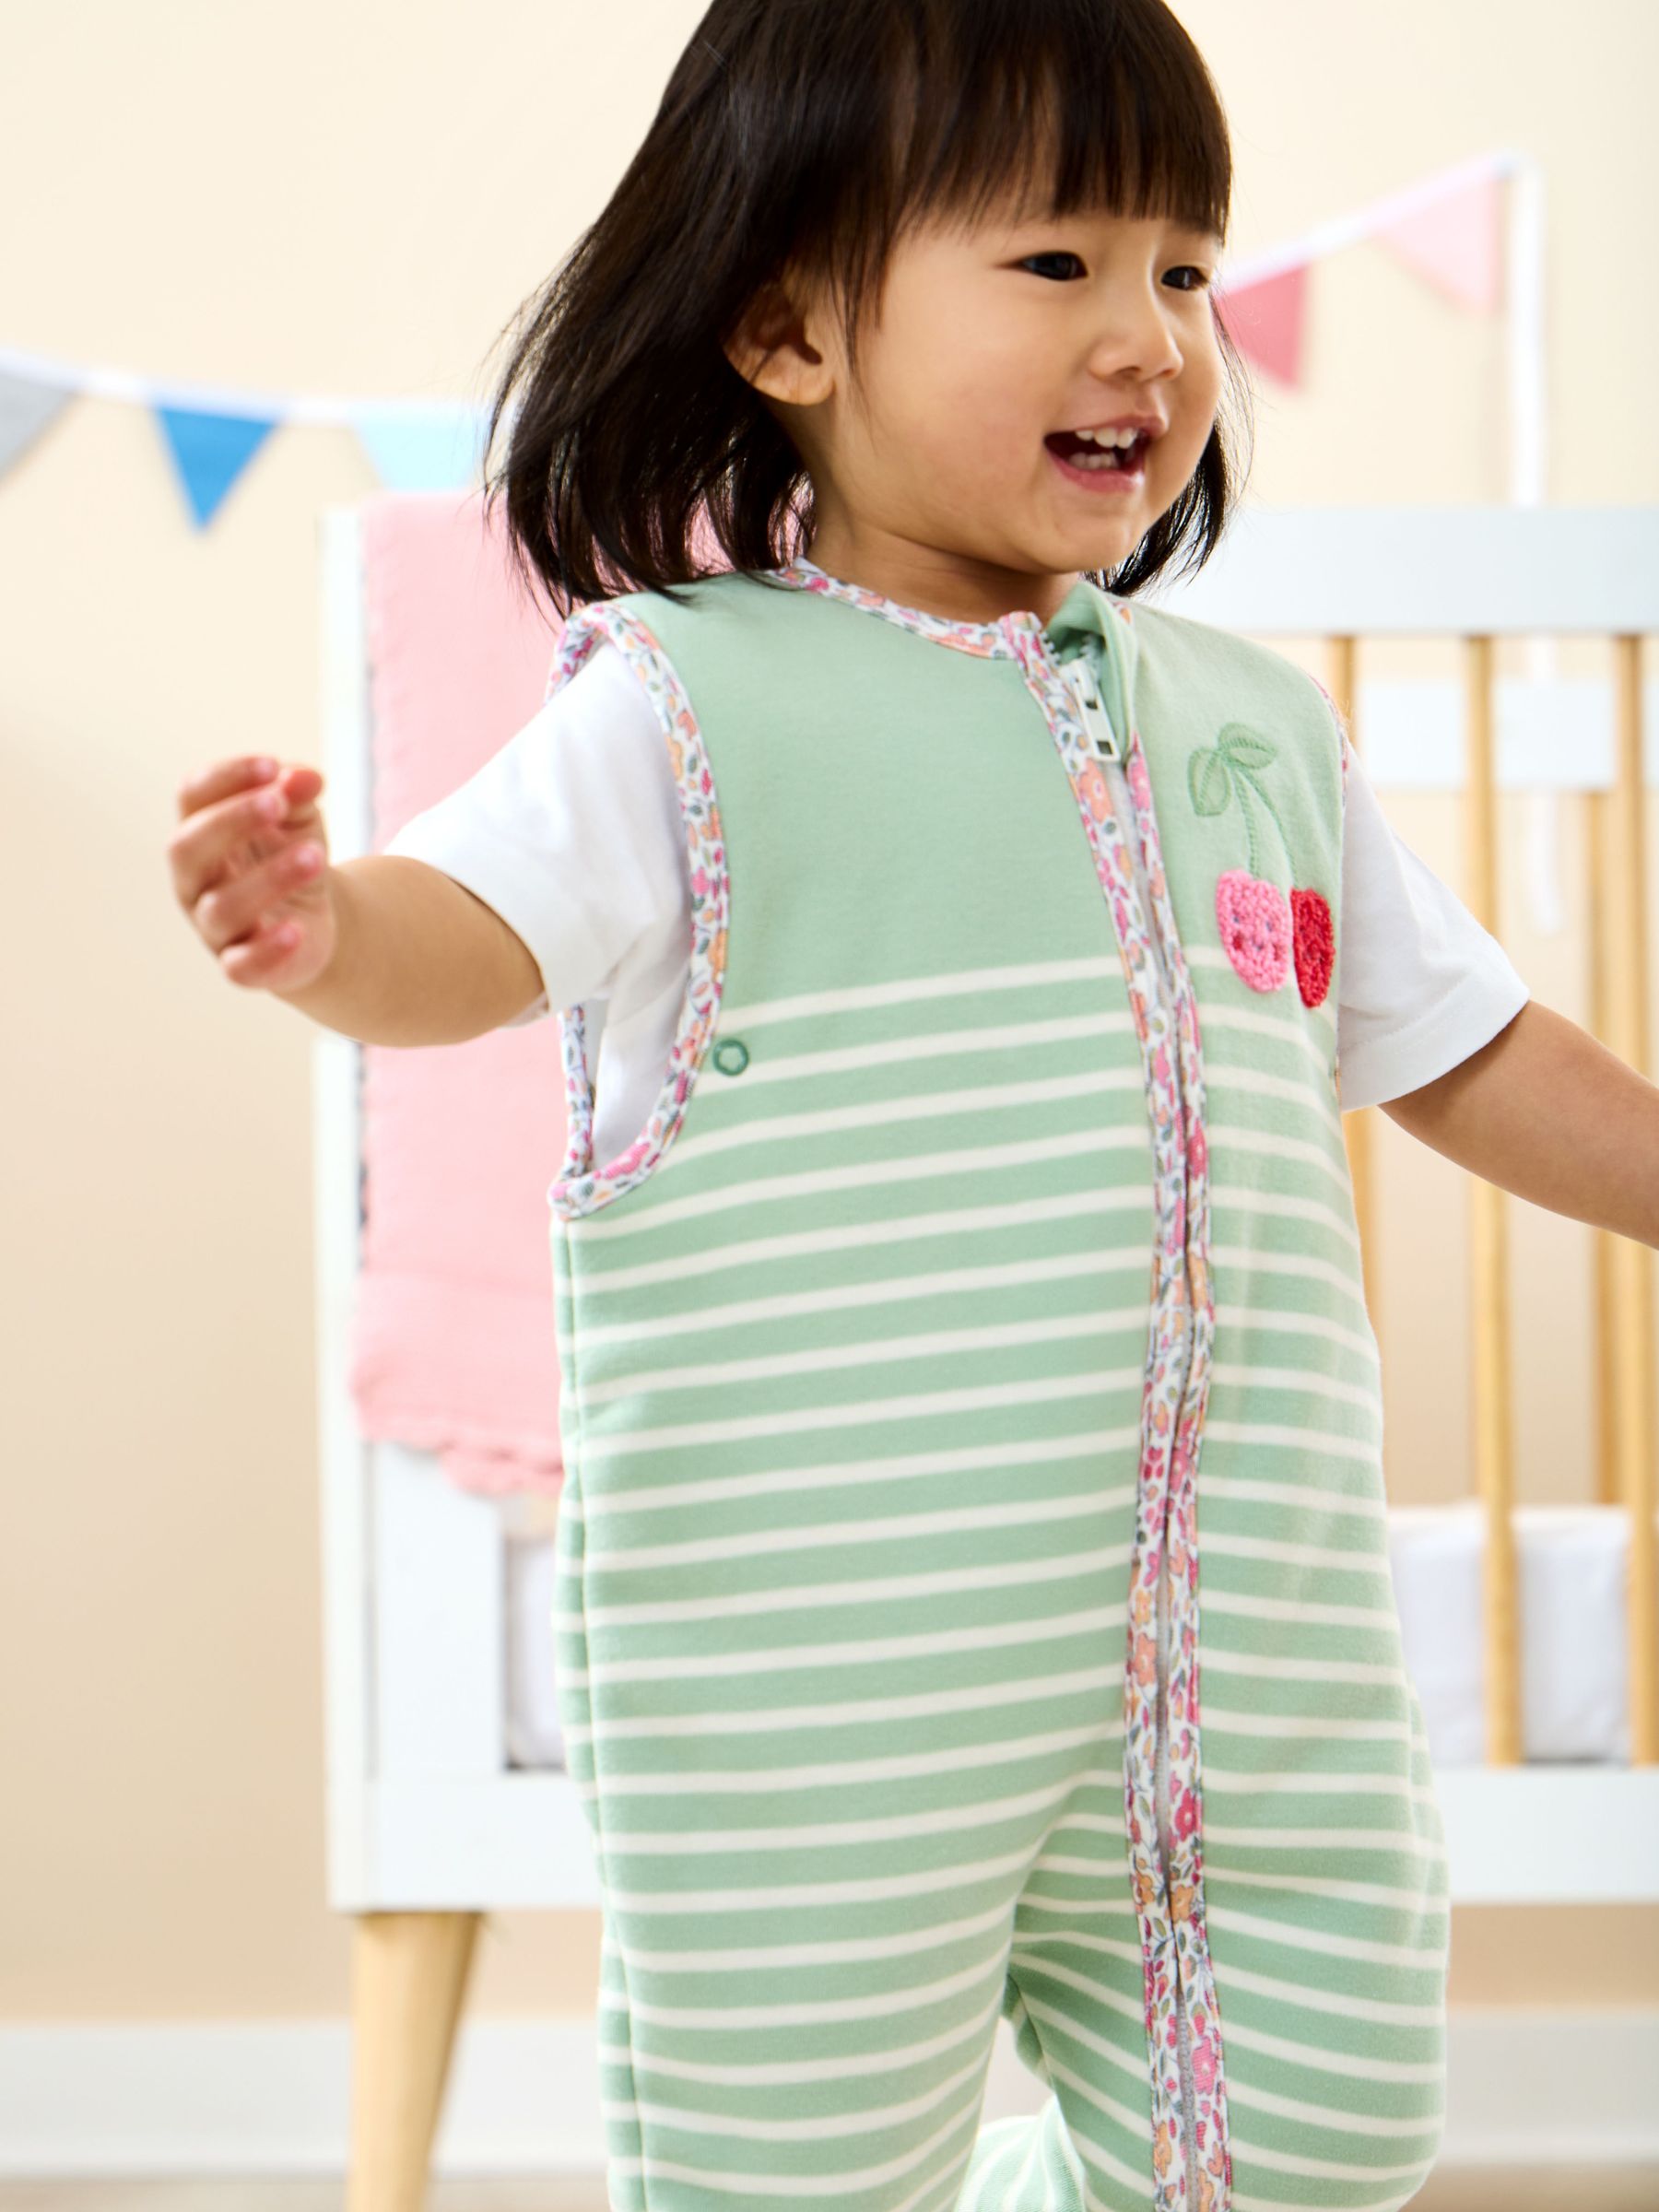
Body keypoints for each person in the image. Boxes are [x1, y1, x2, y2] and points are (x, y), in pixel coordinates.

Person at [167, 4, 1659, 2206]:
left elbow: (1468, 1041)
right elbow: (465, 931)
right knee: (791, 2164)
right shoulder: (687, 704)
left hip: (1244, 1654)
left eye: (1184, 267)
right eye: (1056, 263)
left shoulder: (1250, 730)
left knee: (1316, 2127)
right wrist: (322, 925)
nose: (1150, 334)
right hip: (833, 1681)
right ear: (787, 327)